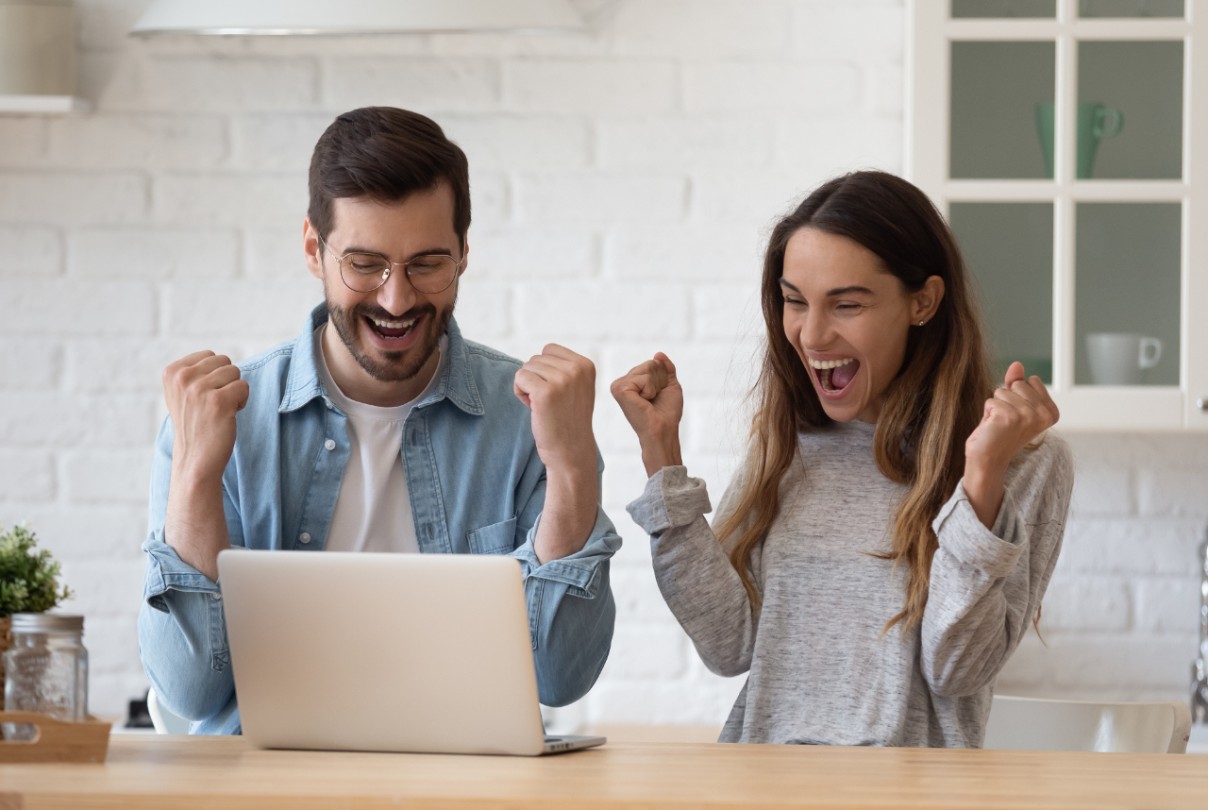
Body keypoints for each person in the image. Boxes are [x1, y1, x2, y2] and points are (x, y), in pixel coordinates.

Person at [138, 107, 621, 734]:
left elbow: (560, 677)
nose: (397, 299)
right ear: (314, 248)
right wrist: (195, 474)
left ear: (464, 254)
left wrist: (573, 464)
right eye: (364, 264)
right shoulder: (218, 420)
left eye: (427, 263)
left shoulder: (529, 419)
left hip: (467, 786)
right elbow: (191, 691)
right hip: (263, 790)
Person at [610, 170, 1073, 748]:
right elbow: (728, 644)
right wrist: (662, 456)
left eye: (847, 304)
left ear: (923, 302)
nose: (811, 335)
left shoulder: (1022, 462)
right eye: (794, 301)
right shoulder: (788, 445)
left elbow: (957, 669)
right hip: (763, 788)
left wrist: (980, 478)